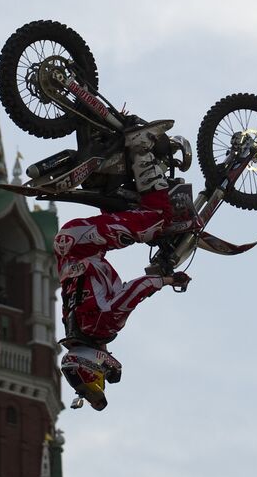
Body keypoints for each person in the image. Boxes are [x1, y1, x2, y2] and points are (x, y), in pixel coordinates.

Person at [55, 123, 200, 411]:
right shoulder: (75, 326)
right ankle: (110, 143)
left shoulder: (101, 326)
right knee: (132, 218)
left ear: (91, 365)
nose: (104, 375)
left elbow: (136, 291)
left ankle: (140, 146)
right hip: (74, 246)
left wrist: (168, 281)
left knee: (154, 219)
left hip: (81, 243)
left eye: (99, 379)